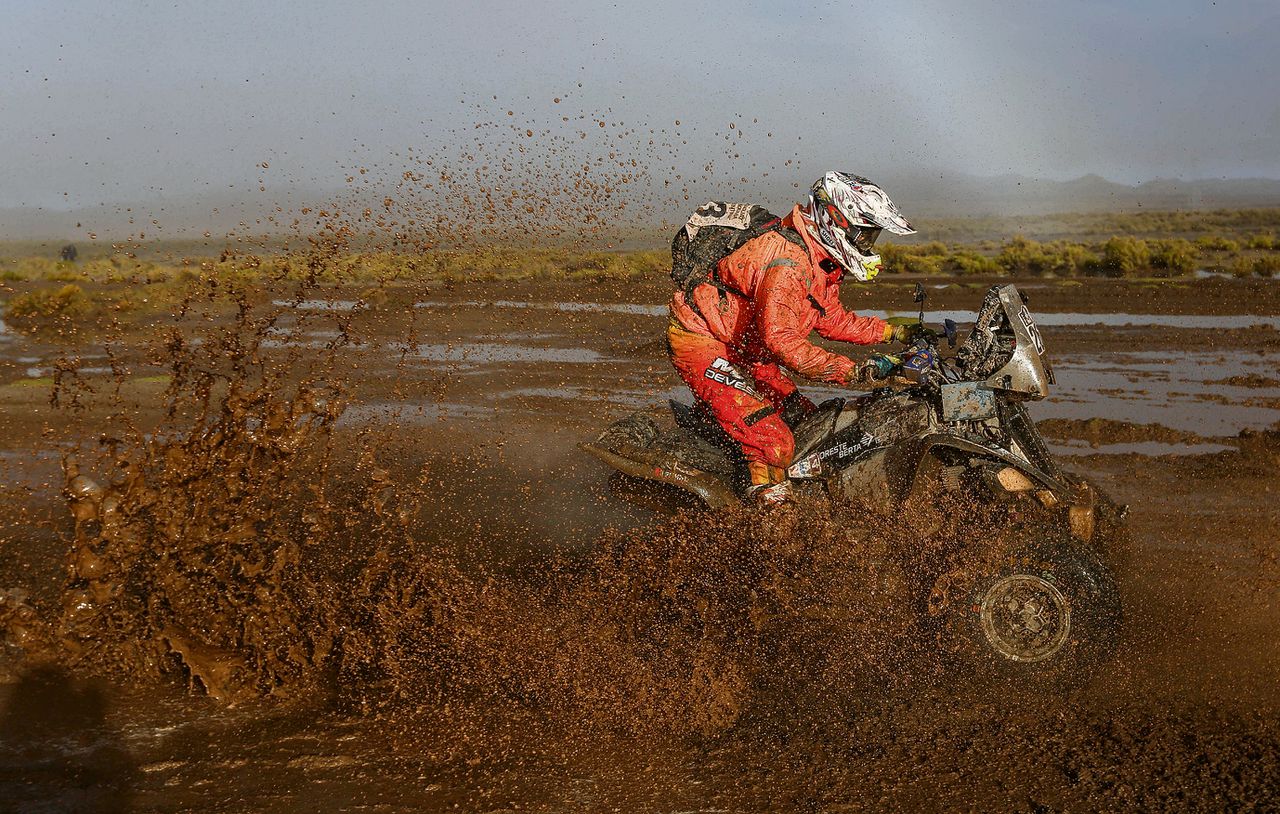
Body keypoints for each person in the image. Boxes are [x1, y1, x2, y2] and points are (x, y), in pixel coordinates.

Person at [667, 171, 923, 502]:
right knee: (774, 441)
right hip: (704, 342)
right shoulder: (787, 262)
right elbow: (781, 340)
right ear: (834, 220)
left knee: (804, 421)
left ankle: (734, 449)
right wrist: (856, 371)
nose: (866, 245)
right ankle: (765, 527)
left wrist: (895, 331)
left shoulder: (819, 262)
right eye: (864, 235)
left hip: (746, 350)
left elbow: (831, 319)